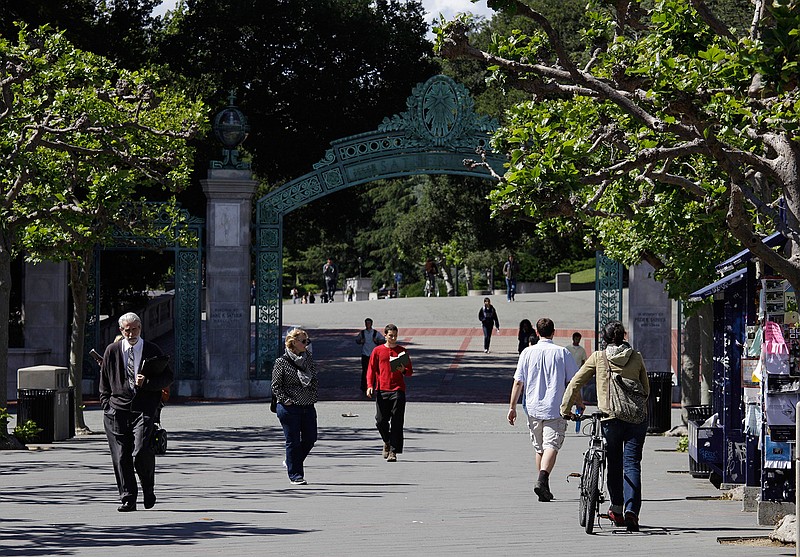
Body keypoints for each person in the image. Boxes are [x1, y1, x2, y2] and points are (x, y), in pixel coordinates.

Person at [561, 320, 649, 532]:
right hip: (636, 420)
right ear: (623, 336)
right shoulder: (636, 357)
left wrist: (566, 409)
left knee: (615, 464)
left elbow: (576, 382)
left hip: (610, 420)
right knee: (632, 464)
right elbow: (645, 389)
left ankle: (616, 510)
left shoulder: (599, 357)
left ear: (605, 338)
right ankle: (632, 513)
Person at [99, 312, 174, 512]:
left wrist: (147, 383)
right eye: (127, 330)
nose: (131, 333)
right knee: (121, 456)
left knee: (141, 451)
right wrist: (107, 405)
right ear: (121, 331)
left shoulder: (152, 349)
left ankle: (148, 489)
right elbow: (104, 381)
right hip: (117, 409)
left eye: (134, 329)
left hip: (144, 409)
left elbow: (168, 377)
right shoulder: (112, 351)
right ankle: (128, 498)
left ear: (140, 328)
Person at [507, 317, 578, 502]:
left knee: (540, 449)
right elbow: (572, 382)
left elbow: (518, 382)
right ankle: (542, 480)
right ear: (554, 332)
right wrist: (579, 402)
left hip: (533, 408)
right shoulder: (562, 353)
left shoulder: (527, 353)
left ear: (537, 333)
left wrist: (512, 407)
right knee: (551, 446)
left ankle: (543, 485)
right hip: (555, 407)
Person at [271, 328, 319, 485]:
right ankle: (295, 474)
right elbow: (276, 386)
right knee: (293, 441)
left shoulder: (309, 359)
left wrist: (313, 394)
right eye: (304, 341)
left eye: (307, 341)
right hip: (289, 408)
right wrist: (285, 400)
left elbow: (315, 378)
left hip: (307, 405)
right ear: (294, 343)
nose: (307, 344)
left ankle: (291, 460)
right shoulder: (281, 362)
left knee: (311, 438)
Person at [366, 323, 413, 462]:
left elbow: (409, 372)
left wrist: (402, 369)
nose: (393, 338)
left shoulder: (401, 351)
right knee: (380, 421)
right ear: (385, 335)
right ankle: (386, 441)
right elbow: (371, 369)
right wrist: (369, 385)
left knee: (397, 421)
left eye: (395, 336)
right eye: (390, 336)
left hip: (398, 389)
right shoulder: (378, 351)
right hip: (382, 389)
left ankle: (393, 451)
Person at [356, 318, 385, 394]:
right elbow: (357, 340)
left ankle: (374, 386)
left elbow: (383, 340)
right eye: (366, 323)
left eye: (368, 323)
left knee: (374, 371)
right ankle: (364, 387)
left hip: (373, 355)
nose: (367, 325)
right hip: (365, 354)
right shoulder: (362, 333)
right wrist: (360, 341)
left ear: (371, 324)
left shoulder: (375, 333)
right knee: (365, 371)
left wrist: (377, 341)